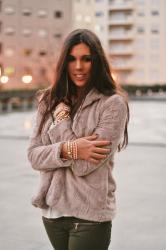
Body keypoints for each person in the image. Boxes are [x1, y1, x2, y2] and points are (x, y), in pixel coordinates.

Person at [27, 29, 129, 250]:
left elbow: (84, 165)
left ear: (97, 61)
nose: (79, 66)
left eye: (86, 59)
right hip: (52, 214)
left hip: (88, 217)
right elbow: (34, 156)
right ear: (64, 62)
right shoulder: (49, 99)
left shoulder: (112, 104)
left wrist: (62, 119)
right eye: (72, 59)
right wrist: (72, 148)